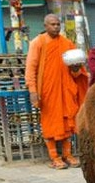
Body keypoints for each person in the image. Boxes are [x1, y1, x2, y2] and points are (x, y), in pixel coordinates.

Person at [24, 14, 85, 169]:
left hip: (66, 90)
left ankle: (68, 155)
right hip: (48, 91)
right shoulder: (38, 43)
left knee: (68, 122)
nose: (56, 27)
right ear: (45, 26)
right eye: (52, 24)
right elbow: (31, 68)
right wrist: (32, 90)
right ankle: (54, 157)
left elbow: (76, 72)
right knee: (50, 123)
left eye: (58, 24)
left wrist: (77, 70)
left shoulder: (67, 43)